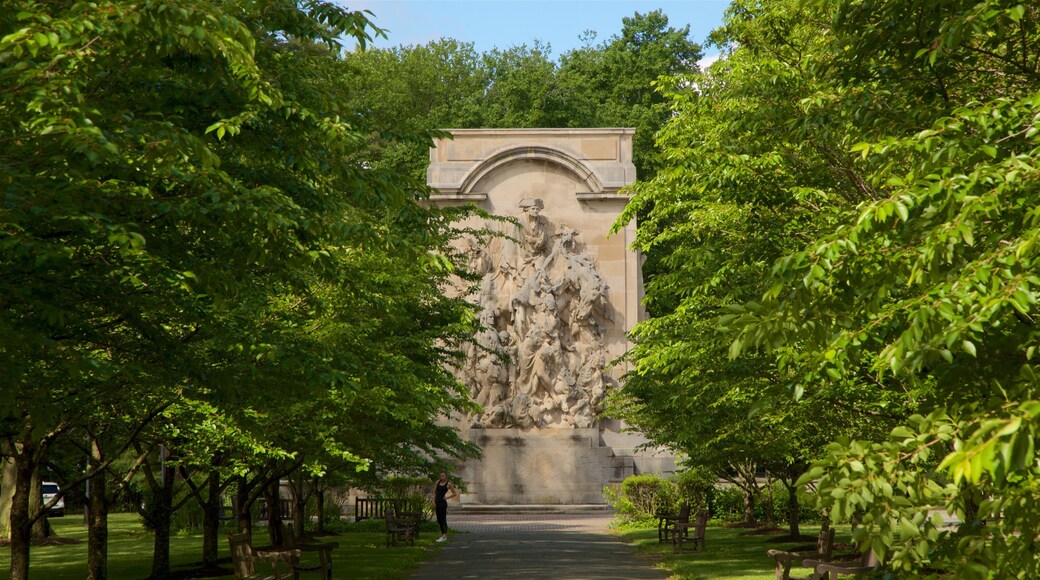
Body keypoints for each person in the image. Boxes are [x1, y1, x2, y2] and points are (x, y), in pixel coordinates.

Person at [434, 471, 459, 542]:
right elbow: (434, 492)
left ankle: (444, 535)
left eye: (443, 476)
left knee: (443, 518)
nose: (442, 477)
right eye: (441, 476)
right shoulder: (437, 482)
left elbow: (454, 493)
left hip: (442, 503)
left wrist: (446, 497)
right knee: (438, 519)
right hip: (437, 502)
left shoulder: (448, 484)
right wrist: (433, 501)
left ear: (446, 476)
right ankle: (443, 534)